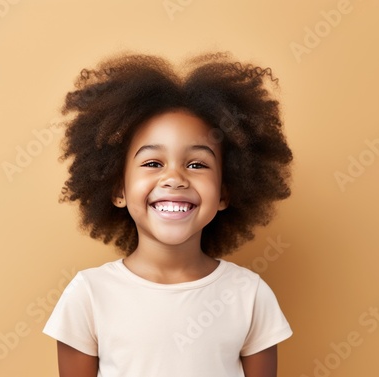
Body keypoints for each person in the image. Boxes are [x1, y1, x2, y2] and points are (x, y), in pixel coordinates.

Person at [43, 52, 294, 377]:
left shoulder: (249, 295)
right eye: (152, 163)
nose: (174, 178)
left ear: (224, 193)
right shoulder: (88, 295)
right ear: (118, 189)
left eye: (196, 164)